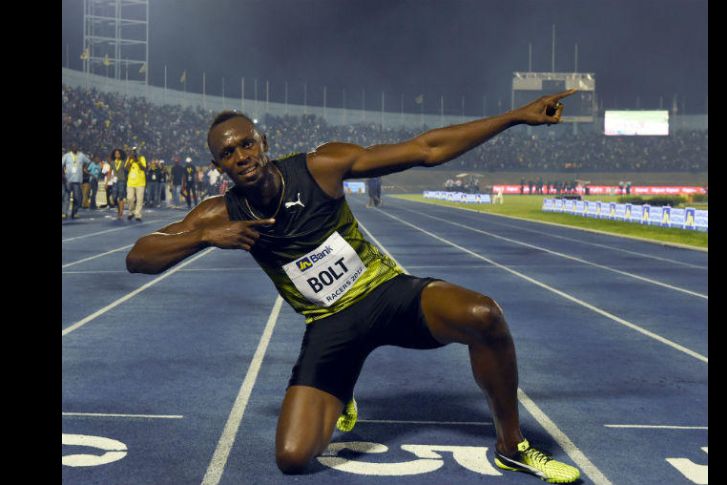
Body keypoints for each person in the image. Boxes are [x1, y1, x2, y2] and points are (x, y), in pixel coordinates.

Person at [125, 89, 580, 483]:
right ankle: (341, 387)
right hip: (330, 325)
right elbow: (139, 257)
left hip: (384, 293)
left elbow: (427, 148)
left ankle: (511, 447)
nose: (241, 156)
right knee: (292, 458)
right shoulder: (217, 213)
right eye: (229, 153)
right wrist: (203, 237)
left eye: (247, 144)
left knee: (485, 315)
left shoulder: (321, 166)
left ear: (263, 143)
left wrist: (514, 116)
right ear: (217, 164)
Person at [62, 144, 90, 219]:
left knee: (77, 198)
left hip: (78, 180)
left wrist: (84, 168)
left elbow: (88, 162)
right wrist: (63, 175)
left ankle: (74, 213)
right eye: (73, 147)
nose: (75, 148)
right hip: (68, 179)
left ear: (78, 148)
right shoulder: (66, 156)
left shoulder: (81, 155)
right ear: (71, 148)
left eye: (76, 146)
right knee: (66, 197)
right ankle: (64, 213)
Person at [125, 146, 147, 221]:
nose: (134, 152)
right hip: (130, 182)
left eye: (135, 151)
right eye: (133, 151)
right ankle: (131, 212)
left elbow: (143, 168)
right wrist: (130, 160)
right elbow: (126, 168)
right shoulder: (129, 158)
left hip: (140, 182)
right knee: (129, 198)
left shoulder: (142, 158)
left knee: (139, 200)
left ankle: (138, 214)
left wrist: (137, 160)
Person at [111, 148, 128, 220]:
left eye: (118, 153)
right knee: (114, 197)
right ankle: (119, 210)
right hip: (115, 181)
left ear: (120, 155)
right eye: (115, 153)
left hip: (122, 180)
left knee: (121, 196)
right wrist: (106, 182)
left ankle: (121, 212)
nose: (117, 154)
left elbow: (126, 170)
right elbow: (109, 172)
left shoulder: (123, 162)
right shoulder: (112, 162)